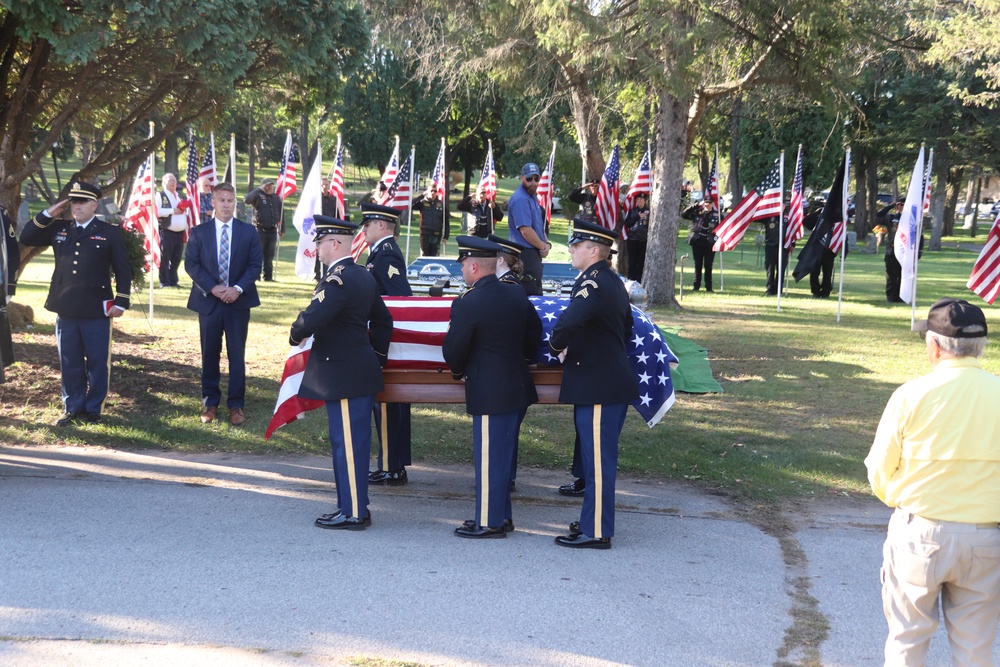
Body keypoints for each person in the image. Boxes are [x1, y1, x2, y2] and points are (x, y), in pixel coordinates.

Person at [865, 297, 1000, 666]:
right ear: (980, 347)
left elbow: (879, 470)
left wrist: (897, 495)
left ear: (935, 346)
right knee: (975, 648)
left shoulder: (911, 395)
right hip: (986, 537)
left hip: (920, 531)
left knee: (907, 640)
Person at [290, 216, 393, 531]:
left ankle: (353, 513)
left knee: (346, 444)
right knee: (353, 443)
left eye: (320, 242)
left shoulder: (339, 278)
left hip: (345, 373)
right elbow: (384, 321)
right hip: (357, 370)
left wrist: (295, 334)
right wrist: (375, 357)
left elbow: (312, 318)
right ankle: (355, 506)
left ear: (335, 243)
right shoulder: (362, 276)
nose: (317, 248)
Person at [443, 236, 542, 538]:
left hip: (489, 389)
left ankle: (489, 522)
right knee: (501, 457)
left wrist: (459, 370)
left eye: (463, 266)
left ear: (473, 266)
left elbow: (453, 351)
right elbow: (534, 332)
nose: (462, 271)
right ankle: (502, 516)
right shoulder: (515, 295)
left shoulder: (468, 302)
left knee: (489, 460)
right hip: (517, 385)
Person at [549, 219, 639, 549]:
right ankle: (591, 521)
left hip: (600, 385)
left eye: (576, 245)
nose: (571, 249)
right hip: (603, 380)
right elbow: (626, 329)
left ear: (594, 250)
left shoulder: (594, 282)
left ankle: (597, 531)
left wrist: (557, 347)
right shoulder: (610, 281)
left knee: (598, 463)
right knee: (594, 461)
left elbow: (569, 320)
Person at [19, 181, 132, 425]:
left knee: (97, 362)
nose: (76, 207)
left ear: (94, 205)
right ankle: (73, 407)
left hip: (96, 308)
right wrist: (49, 213)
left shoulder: (109, 231)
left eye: (82, 202)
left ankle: (94, 409)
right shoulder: (60, 228)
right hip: (66, 305)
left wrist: (121, 301)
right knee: (69, 360)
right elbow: (27, 236)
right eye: (73, 202)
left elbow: (123, 269)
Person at [185, 182, 263, 426]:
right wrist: (214, 288)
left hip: (238, 302)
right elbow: (191, 265)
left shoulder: (248, 232)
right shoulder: (199, 232)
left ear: (235, 203)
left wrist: (237, 289)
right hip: (209, 302)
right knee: (210, 353)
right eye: (222, 200)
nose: (226, 204)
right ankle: (210, 403)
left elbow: (254, 265)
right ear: (213, 202)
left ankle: (236, 405)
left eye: (230, 200)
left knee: (236, 354)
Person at [360, 203, 414, 486]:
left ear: (382, 225)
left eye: (368, 224)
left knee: (388, 404)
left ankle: (392, 466)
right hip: (382, 338)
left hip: (386, 342)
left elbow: (398, 299)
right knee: (387, 404)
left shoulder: (386, 255)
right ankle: (392, 464)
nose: (364, 228)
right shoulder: (379, 253)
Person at [507, 163, 550, 296]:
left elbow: (538, 226)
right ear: (521, 178)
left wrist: (546, 243)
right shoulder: (521, 199)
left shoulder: (532, 197)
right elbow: (526, 231)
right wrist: (543, 247)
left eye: (536, 179)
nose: (533, 182)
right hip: (524, 255)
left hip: (533, 253)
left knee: (535, 290)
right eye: (529, 178)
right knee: (530, 295)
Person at [244, 178, 284, 282]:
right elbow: (247, 200)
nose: (270, 187)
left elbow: (281, 213)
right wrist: (258, 189)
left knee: (269, 256)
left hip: (272, 230)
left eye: (271, 185)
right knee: (258, 255)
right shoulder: (257, 196)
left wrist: (282, 228)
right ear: (263, 186)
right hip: (260, 230)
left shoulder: (276, 198)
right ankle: (256, 276)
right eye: (267, 185)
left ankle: (268, 277)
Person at [156, 173, 188, 288]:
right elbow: (157, 211)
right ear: (164, 183)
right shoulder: (160, 195)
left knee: (176, 258)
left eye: (174, 180)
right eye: (170, 180)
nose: (173, 182)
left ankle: (173, 281)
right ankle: (164, 282)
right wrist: (173, 211)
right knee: (165, 258)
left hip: (179, 233)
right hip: (167, 232)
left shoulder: (178, 196)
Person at [682, 199, 719, 292]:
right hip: (697, 242)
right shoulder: (698, 213)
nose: (707, 204)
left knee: (708, 265)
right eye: (706, 202)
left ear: (713, 204)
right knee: (698, 264)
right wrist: (696, 205)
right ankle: (696, 286)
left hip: (709, 243)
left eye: (710, 203)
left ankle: (709, 287)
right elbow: (684, 214)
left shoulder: (717, 215)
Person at [412, 186, 448, 256]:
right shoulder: (422, 203)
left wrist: (446, 236)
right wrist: (422, 196)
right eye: (431, 190)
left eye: (435, 191)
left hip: (437, 234)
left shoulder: (441, 204)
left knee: (434, 257)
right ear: (427, 191)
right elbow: (411, 204)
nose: (433, 193)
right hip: (425, 234)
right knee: (424, 256)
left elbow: (446, 221)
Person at [623, 193, 650, 282]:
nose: (639, 201)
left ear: (644, 200)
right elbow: (627, 224)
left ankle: (639, 280)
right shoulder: (632, 211)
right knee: (632, 261)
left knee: (641, 261)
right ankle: (631, 279)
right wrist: (637, 216)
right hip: (632, 239)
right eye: (638, 200)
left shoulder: (649, 211)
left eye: (641, 200)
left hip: (643, 239)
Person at [761, 215, 788, 296]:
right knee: (770, 267)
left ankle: (778, 289)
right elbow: (757, 217)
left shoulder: (786, 218)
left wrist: (793, 244)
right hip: (770, 245)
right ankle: (770, 288)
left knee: (781, 268)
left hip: (783, 246)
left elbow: (792, 231)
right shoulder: (768, 217)